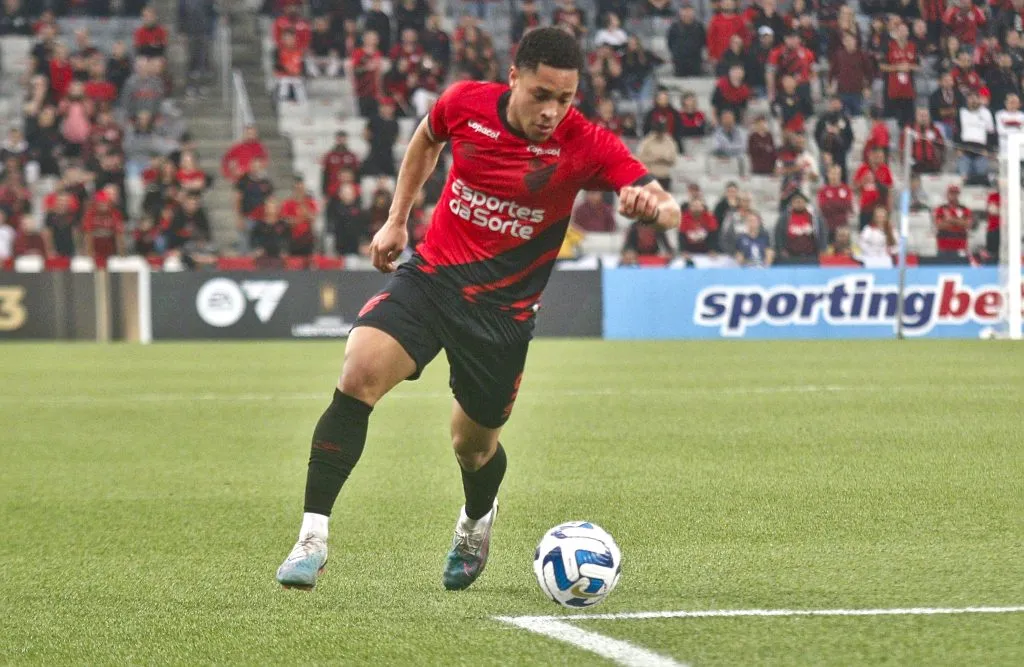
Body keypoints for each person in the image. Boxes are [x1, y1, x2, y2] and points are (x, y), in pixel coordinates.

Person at [274, 27, 680, 592]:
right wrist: (397, 218)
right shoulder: (465, 104)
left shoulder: (586, 143)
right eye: (542, 94)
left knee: (473, 445)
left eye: (565, 99)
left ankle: (475, 519)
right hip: (433, 279)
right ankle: (312, 537)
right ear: (514, 78)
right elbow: (425, 137)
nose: (552, 112)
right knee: (359, 369)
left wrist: (652, 207)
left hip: (502, 316)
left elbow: (670, 209)